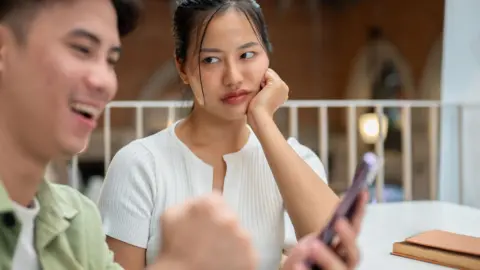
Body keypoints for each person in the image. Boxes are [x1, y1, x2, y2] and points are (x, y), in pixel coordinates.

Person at [0, 0, 367, 270]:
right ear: (183, 68)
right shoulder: (139, 164)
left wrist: (263, 121)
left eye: (247, 54)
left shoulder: (70, 218)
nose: (233, 77)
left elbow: (332, 244)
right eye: (210, 59)